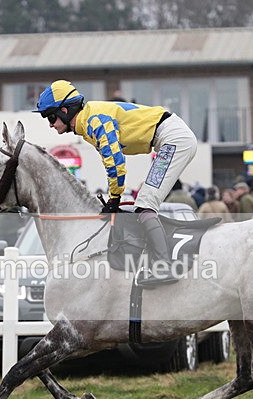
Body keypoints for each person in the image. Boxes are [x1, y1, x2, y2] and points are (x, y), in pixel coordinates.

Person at [35, 80, 198, 287]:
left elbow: (115, 163)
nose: (50, 124)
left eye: (51, 117)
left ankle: (164, 265)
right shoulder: (88, 122)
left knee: (145, 204)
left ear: (65, 110)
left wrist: (114, 198)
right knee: (144, 204)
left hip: (173, 139)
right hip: (170, 136)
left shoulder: (94, 120)